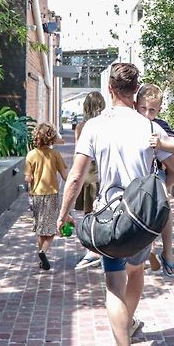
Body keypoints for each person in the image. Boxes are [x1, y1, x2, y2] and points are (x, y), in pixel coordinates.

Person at [57, 63, 174, 346]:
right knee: (136, 272)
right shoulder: (149, 126)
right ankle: (128, 324)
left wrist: (62, 213)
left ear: (110, 89)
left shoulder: (94, 126)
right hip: (141, 219)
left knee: (114, 286)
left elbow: (75, 177)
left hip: (109, 220)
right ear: (135, 91)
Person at [135, 84, 174, 277]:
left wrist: (161, 143)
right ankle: (150, 250)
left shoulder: (160, 126)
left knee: (164, 210)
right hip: (139, 177)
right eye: (143, 108)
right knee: (147, 213)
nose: (147, 114)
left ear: (159, 110)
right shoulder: (131, 123)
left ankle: (167, 250)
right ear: (135, 105)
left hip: (156, 174)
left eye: (152, 110)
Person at [24, 122, 68, 270]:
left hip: (36, 195)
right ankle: (43, 252)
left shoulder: (31, 155)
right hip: (51, 195)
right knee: (51, 229)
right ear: (52, 138)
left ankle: (42, 257)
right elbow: (64, 175)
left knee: (40, 227)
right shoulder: (55, 154)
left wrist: (29, 181)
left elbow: (28, 177)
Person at [73, 91, 106, 270]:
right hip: (102, 173)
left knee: (88, 215)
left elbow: (78, 153)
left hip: (87, 174)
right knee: (103, 214)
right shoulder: (107, 125)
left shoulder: (81, 126)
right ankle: (101, 249)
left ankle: (92, 249)